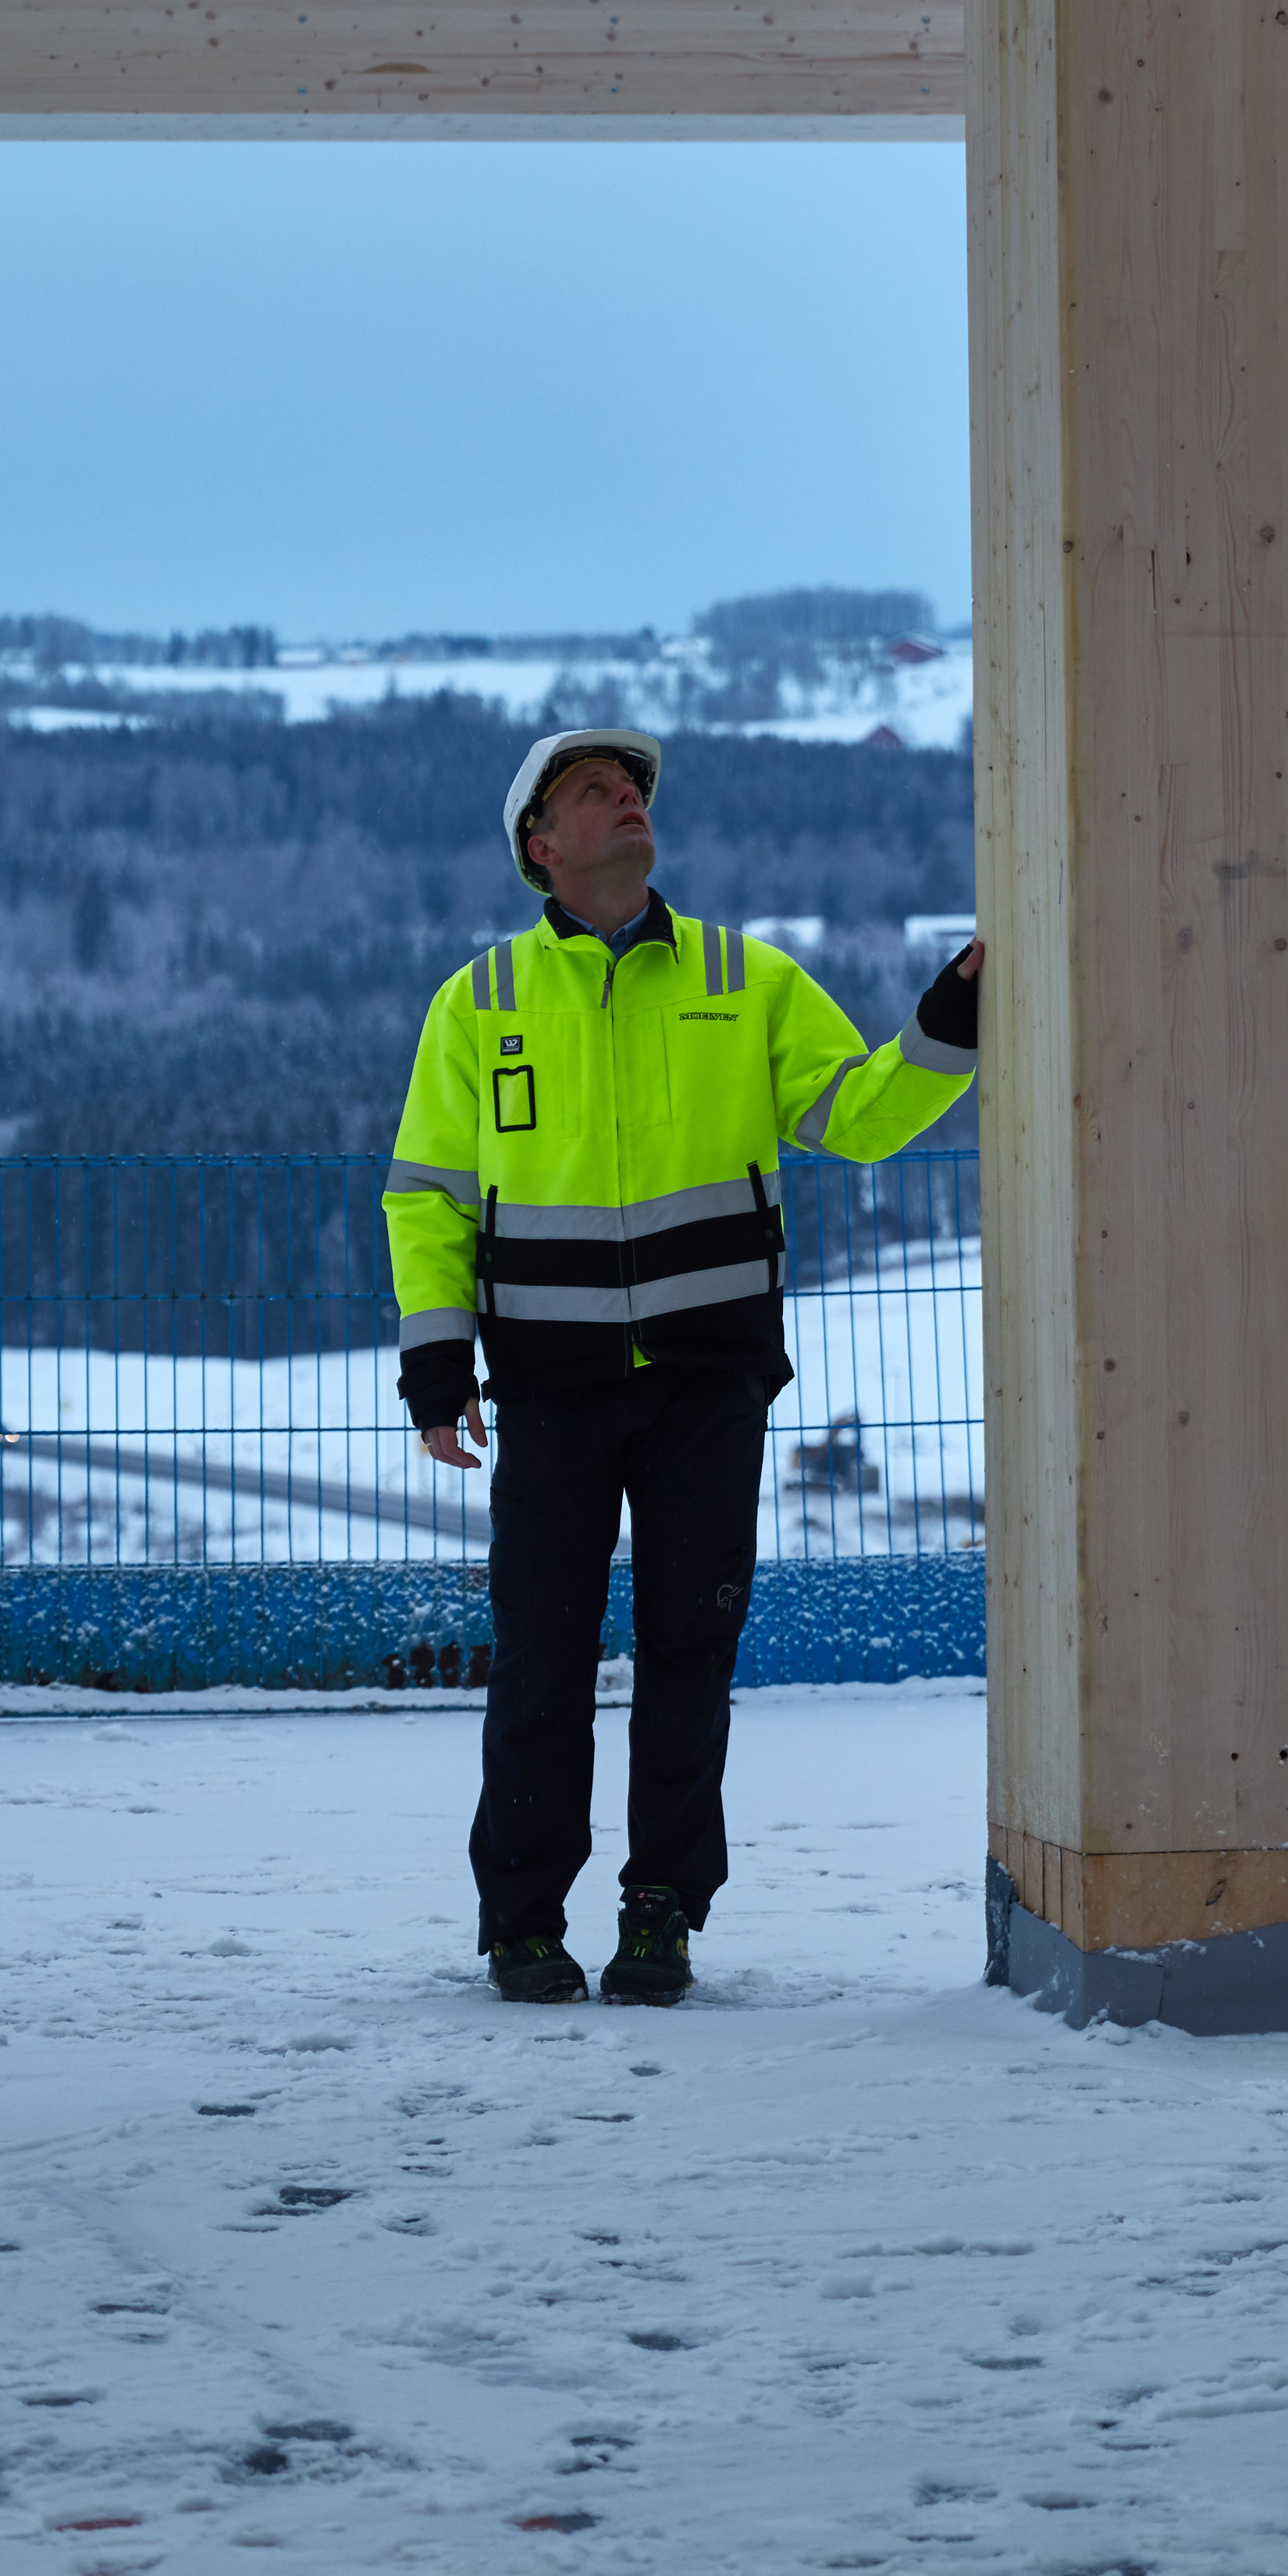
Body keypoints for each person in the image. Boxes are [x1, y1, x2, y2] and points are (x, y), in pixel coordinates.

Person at [382, 728, 982, 2005]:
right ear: (541, 847)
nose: (629, 805)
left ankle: (663, 1910)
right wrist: (439, 1368)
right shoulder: (477, 1004)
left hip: (710, 1379)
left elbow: (861, 1118)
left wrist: (950, 1022)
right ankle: (522, 1921)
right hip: (547, 1386)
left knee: (688, 1655)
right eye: (597, 793)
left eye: (636, 790)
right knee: (540, 1657)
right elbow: (426, 1200)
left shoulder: (744, 978)